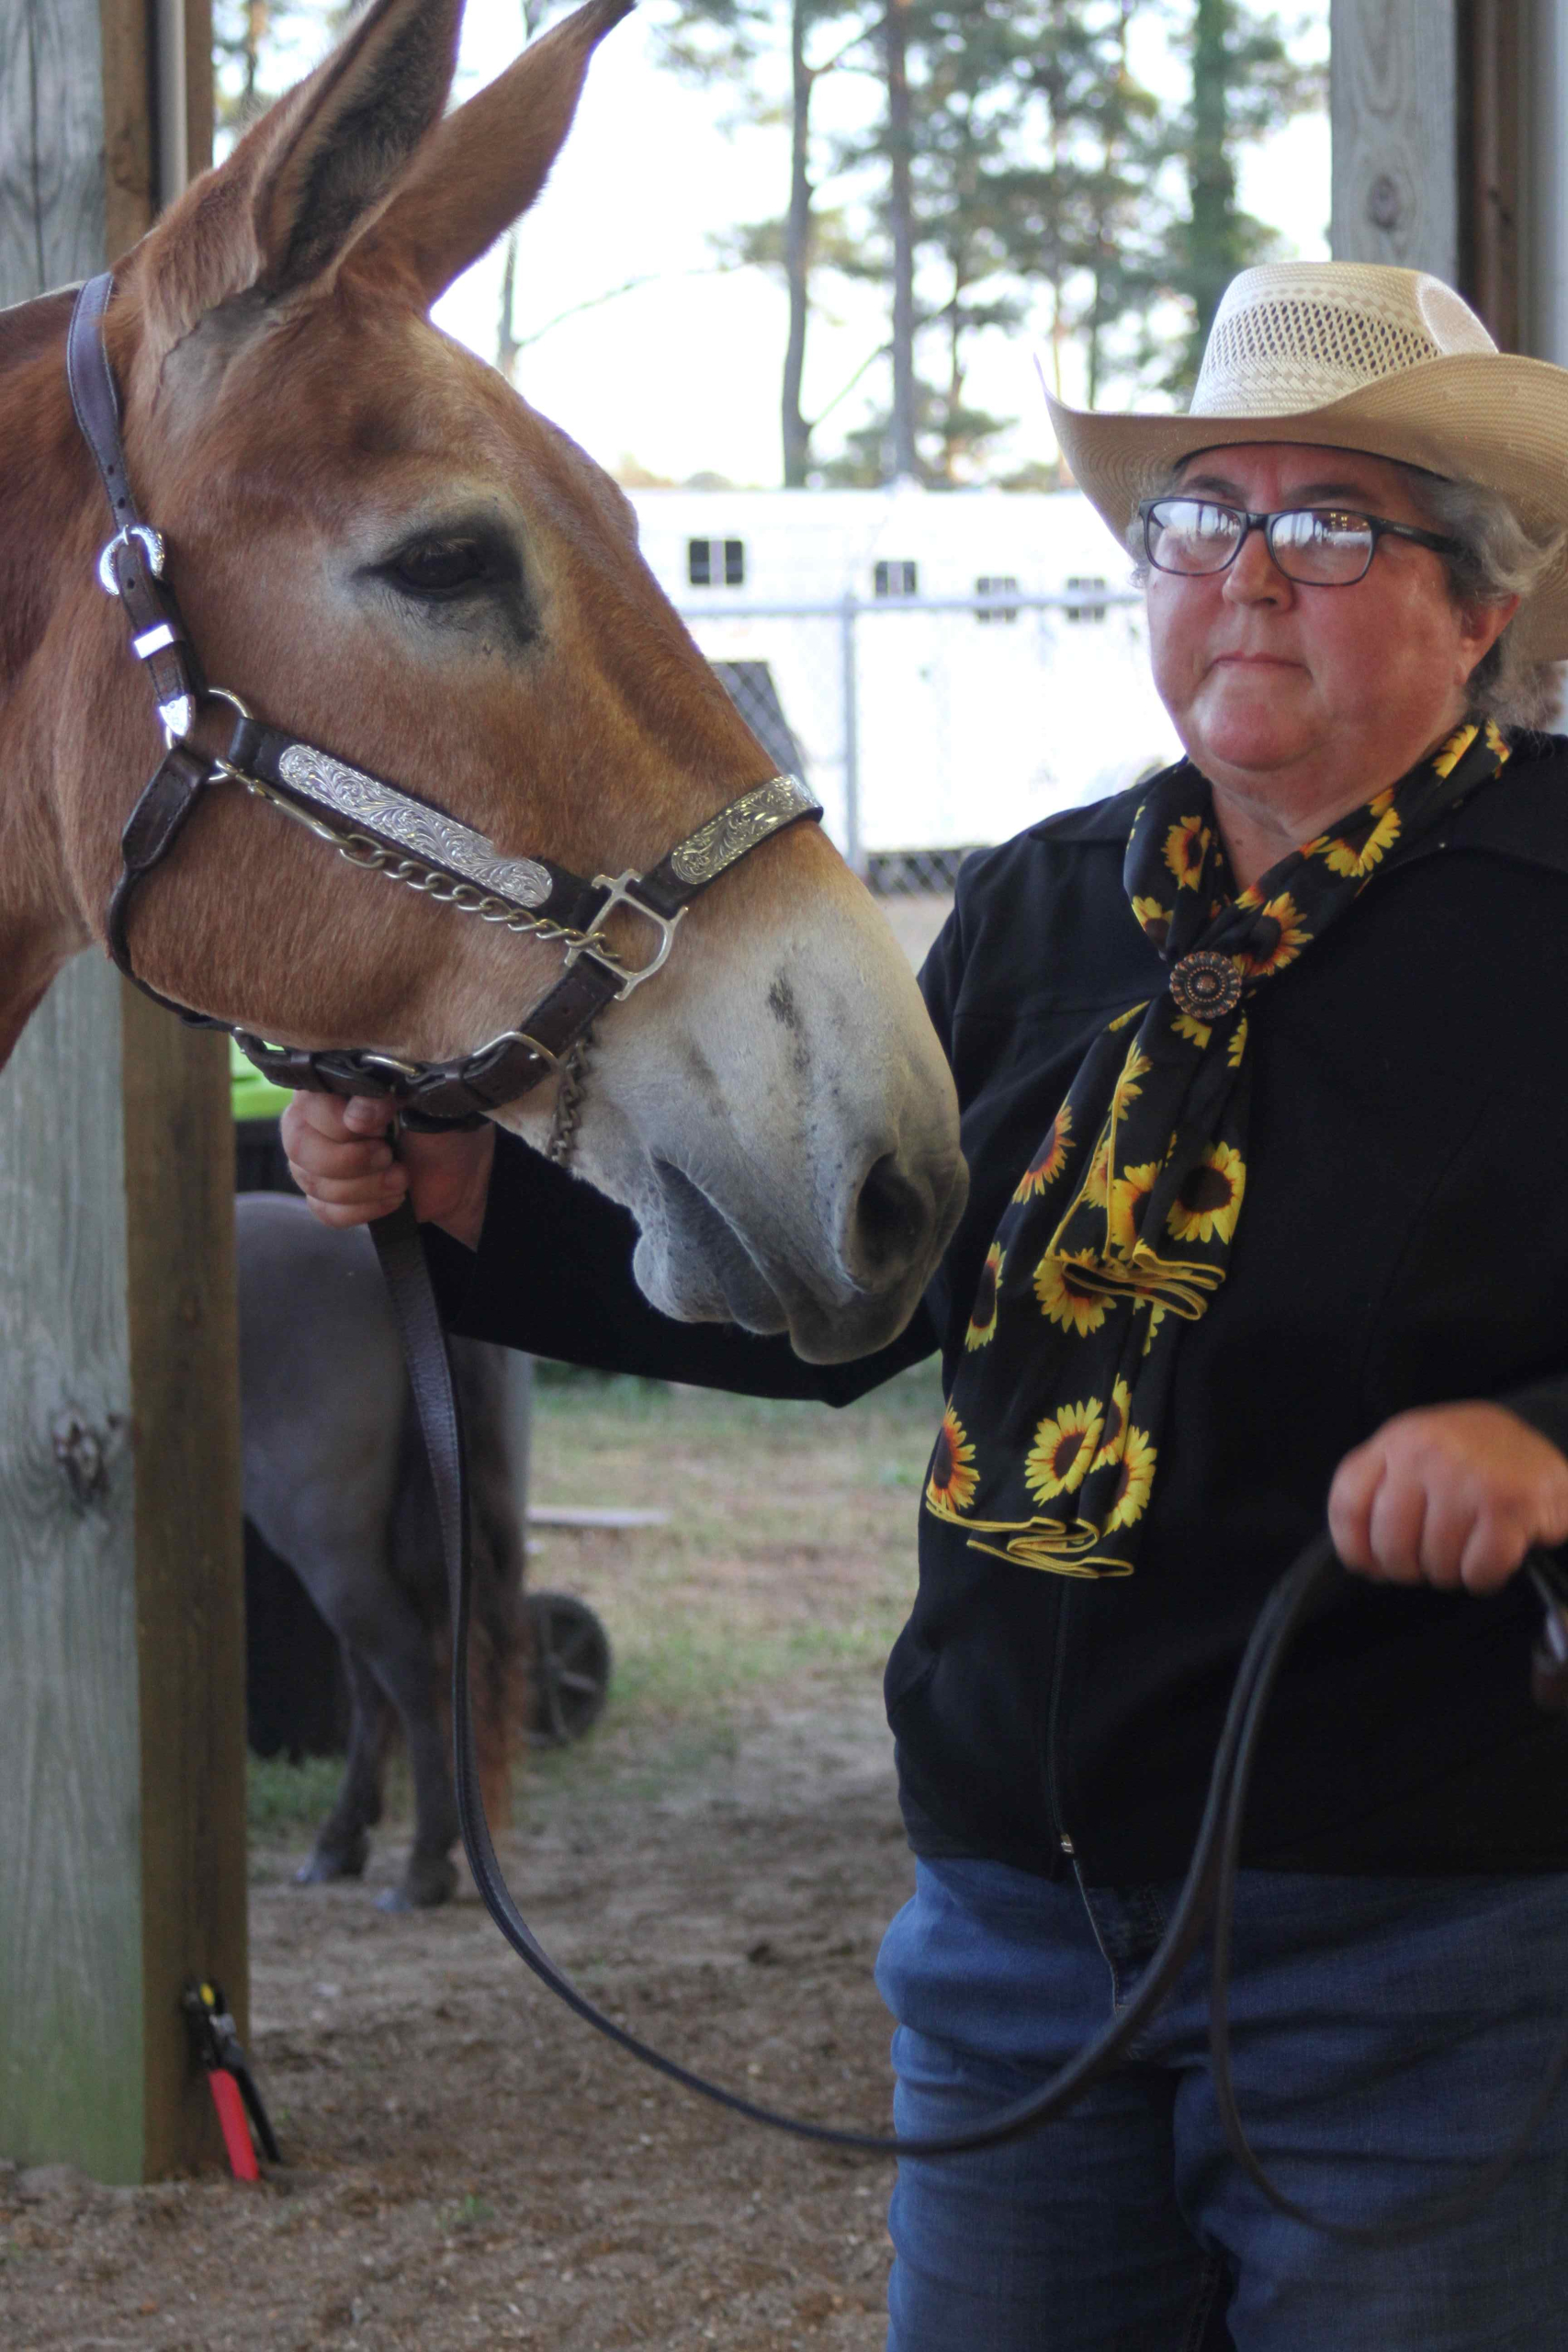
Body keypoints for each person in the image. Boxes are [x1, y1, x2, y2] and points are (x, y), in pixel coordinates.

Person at [283, 262, 1568, 2348]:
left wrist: (1542, 1439)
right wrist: (458, 1194)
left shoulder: (1546, 909)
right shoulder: (1053, 906)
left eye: (1328, 523)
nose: (1244, 572)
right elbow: (842, 1292)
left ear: (1477, 601)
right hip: (1004, 1929)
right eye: (1196, 517)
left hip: (1425, 1955)